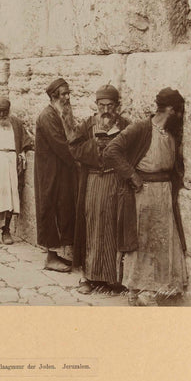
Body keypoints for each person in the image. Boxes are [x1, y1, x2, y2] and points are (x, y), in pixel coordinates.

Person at [103, 87, 188, 306]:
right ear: (169, 109)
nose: (180, 116)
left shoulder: (170, 133)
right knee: (140, 241)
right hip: (143, 194)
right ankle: (134, 292)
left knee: (163, 242)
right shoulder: (141, 128)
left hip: (164, 195)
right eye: (178, 112)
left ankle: (159, 291)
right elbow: (111, 150)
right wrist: (132, 176)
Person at [70, 85, 130, 294]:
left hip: (116, 183)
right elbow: (74, 148)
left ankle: (113, 279)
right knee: (92, 226)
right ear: (96, 105)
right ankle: (89, 277)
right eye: (101, 105)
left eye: (110, 106)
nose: (106, 110)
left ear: (117, 106)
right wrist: (93, 146)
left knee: (114, 226)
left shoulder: (125, 126)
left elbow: (134, 151)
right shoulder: (87, 125)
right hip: (94, 182)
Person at [34, 78, 78, 273]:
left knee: (64, 208)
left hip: (62, 172)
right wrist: (79, 159)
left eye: (68, 93)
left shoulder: (62, 114)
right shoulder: (47, 116)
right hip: (50, 172)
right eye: (64, 94)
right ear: (54, 97)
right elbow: (61, 145)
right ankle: (50, 258)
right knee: (50, 208)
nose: (67, 97)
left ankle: (61, 253)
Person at [0, 97, 33, 246]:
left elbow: (25, 142)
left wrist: (21, 155)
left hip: (11, 164)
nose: (2, 115)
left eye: (5, 112)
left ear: (9, 111)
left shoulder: (15, 123)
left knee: (11, 197)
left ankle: (6, 230)